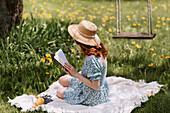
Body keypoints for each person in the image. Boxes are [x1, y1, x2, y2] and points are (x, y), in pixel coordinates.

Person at [56, 20, 110, 106]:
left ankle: (74, 91)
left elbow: (95, 86)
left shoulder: (91, 59)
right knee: (61, 79)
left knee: (59, 92)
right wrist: (72, 74)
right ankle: (73, 88)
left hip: (92, 96)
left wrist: (76, 74)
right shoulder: (99, 47)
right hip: (100, 89)